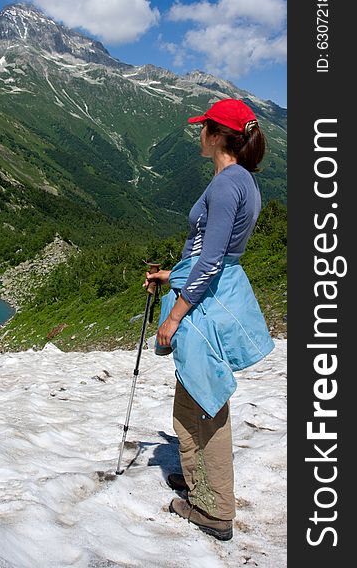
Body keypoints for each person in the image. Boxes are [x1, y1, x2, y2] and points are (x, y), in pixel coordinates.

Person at [144, 98, 275, 541]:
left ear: (218, 135)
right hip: (212, 287)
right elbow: (215, 252)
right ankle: (193, 476)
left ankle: (215, 507)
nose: (198, 133)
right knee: (191, 392)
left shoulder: (224, 185)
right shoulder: (244, 181)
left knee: (207, 396)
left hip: (203, 300)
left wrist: (176, 315)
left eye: (204, 128)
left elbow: (211, 259)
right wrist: (171, 273)